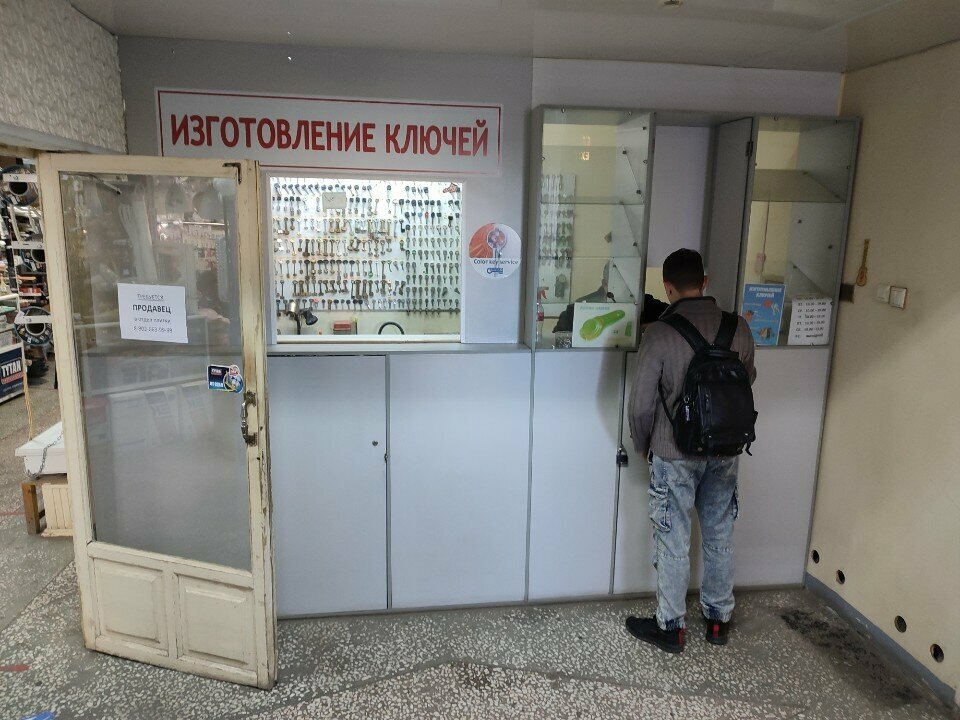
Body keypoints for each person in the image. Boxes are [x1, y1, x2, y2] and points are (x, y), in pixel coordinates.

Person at [625, 248, 756, 654]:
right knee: (719, 532)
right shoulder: (739, 328)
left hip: (674, 452)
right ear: (705, 281)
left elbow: (641, 404)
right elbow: (747, 379)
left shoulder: (660, 334)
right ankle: (718, 620)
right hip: (725, 450)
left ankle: (671, 627)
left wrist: (643, 444)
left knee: (673, 538)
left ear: (667, 288)